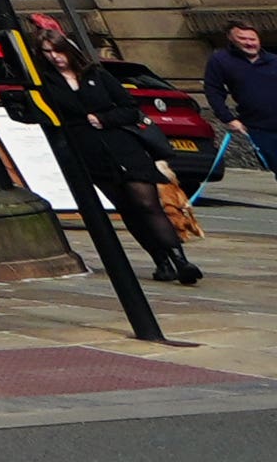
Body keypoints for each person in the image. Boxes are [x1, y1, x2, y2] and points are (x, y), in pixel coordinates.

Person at [59, 55, 202, 285]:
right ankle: (162, 262)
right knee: (127, 209)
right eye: (47, 52)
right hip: (89, 153)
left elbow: (130, 108)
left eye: (58, 50)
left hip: (124, 147)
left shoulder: (97, 75)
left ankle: (181, 261)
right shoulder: (48, 82)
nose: (55, 57)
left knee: (148, 205)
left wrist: (103, 118)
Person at [203, 20, 272, 189]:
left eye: (252, 39)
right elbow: (213, 90)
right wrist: (228, 118)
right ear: (231, 38)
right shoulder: (221, 60)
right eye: (243, 39)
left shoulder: (273, 60)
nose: (249, 43)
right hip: (258, 126)